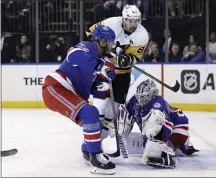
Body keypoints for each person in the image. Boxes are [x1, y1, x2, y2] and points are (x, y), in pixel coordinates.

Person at [42, 25, 117, 175]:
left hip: (69, 92)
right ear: (101, 41)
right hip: (56, 87)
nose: (111, 46)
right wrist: (102, 65)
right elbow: (73, 55)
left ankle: (88, 150)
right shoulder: (88, 47)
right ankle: (95, 158)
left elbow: (89, 88)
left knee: (94, 118)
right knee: (90, 112)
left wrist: (106, 93)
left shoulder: (98, 61)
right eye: (109, 42)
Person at [86, 4, 149, 140]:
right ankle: (92, 140)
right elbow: (90, 32)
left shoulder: (142, 35)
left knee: (111, 112)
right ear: (124, 19)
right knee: (100, 108)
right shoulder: (111, 23)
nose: (132, 24)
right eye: (130, 20)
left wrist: (124, 59)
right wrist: (103, 47)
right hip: (104, 70)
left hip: (122, 75)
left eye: (135, 21)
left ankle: (100, 141)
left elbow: (132, 59)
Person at [117, 79, 199, 168]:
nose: (141, 99)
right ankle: (177, 147)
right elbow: (126, 113)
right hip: (161, 130)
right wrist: (119, 127)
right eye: (140, 96)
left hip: (179, 126)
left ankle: (168, 153)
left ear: (152, 94)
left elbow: (168, 128)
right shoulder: (134, 101)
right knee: (148, 143)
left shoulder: (158, 103)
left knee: (154, 123)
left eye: (145, 96)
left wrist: (160, 142)